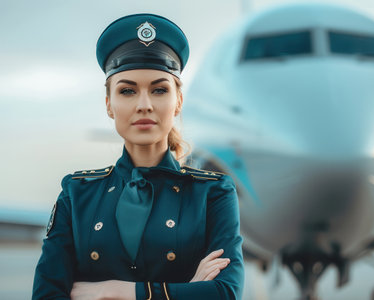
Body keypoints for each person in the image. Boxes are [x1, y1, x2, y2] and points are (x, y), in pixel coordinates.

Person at [32, 13, 244, 300]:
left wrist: (115, 291)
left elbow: (225, 293)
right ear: (109, 104)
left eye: (159, 90)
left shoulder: (213, 193)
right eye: (128, 91)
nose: (144, 105)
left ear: (178, 101)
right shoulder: (77, 193)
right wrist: (189, 291)